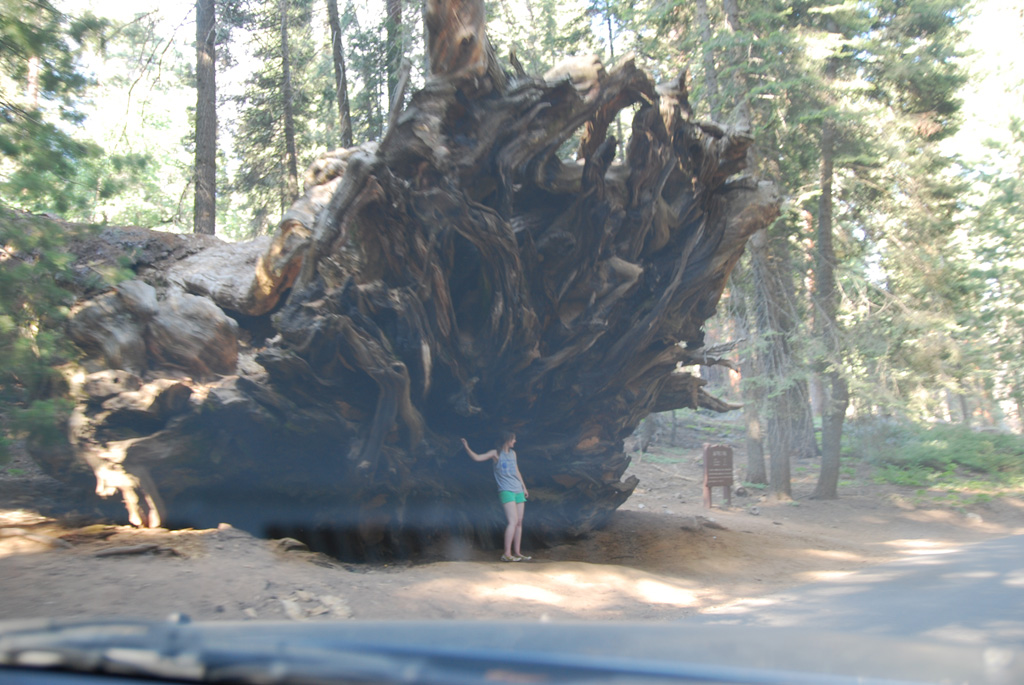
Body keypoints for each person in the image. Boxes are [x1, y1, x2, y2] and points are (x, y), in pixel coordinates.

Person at [461, 431, 531, 562]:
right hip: (506, 490)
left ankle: (517, 552)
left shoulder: (513, 454)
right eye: (513, 439)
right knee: (512, 521)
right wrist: (467, 447)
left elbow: (516, 471)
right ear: (507, 440)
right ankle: (507, 554)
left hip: (518, 489)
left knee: (519, 522)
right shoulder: (495, 453)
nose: (515, 441)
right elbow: (477, 458)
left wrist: (524, 487)